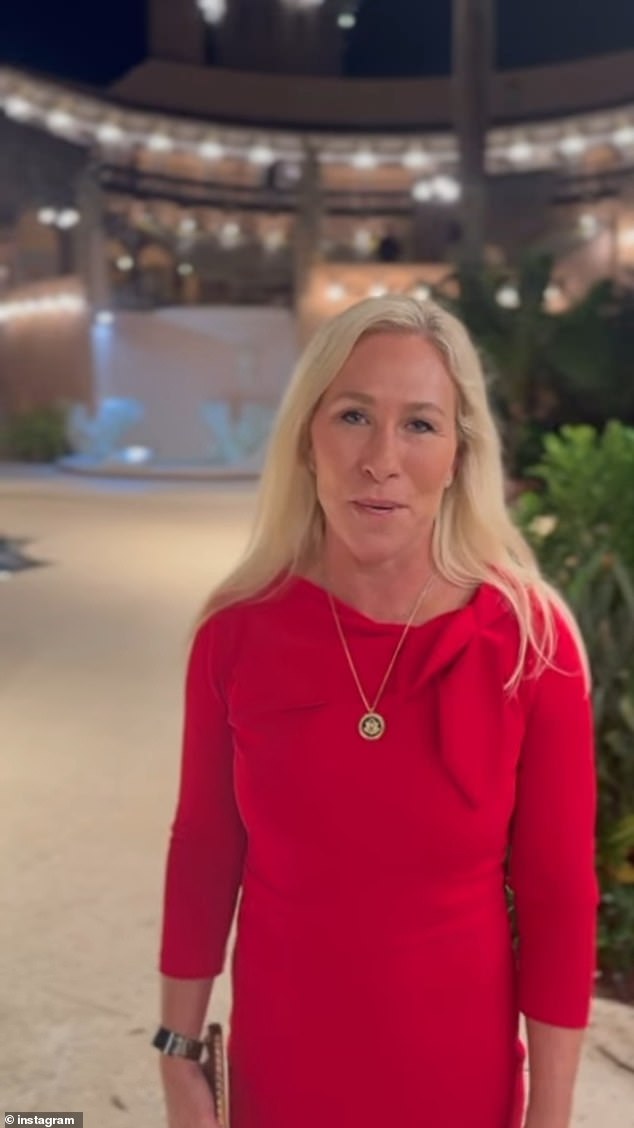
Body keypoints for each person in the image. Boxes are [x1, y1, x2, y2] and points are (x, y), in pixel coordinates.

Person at [154, 295, 599, 1128]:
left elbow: (557, 895)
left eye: (420, 425)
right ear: (306, 437)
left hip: (457, 1079)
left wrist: (553, 1112)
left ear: (461, 452)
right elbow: (205, 848)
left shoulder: (533, 642)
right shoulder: (235, 633)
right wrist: (178, 1055)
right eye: (354, 415)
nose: (381, 459)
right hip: (282, 1071)